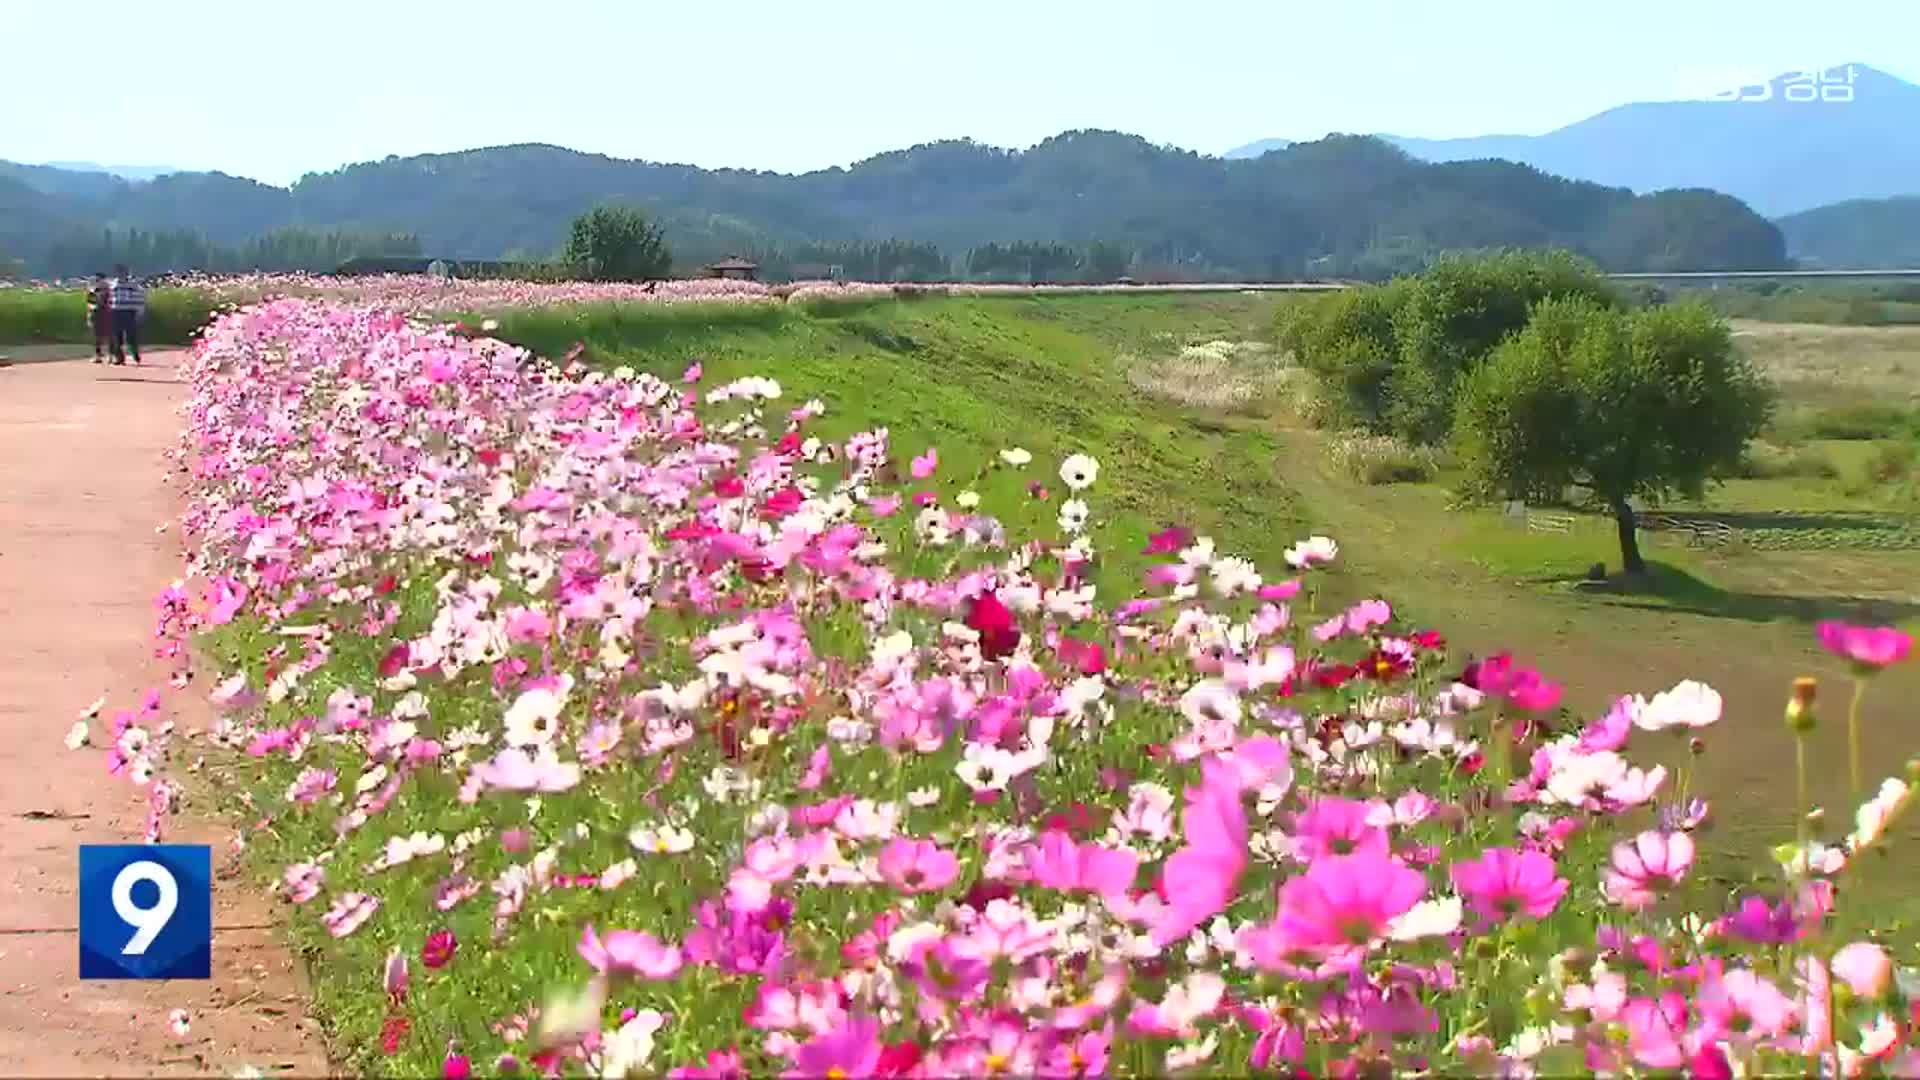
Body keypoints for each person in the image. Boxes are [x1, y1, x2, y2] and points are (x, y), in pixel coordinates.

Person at [108, 264, 145, 366]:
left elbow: (140, 299)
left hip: (129, 312)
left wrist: (139, 311)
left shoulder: (133, 285)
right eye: (119, 272)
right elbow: (109, 299)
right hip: (116, 312)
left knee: (131, 336)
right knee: (117, 336)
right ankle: (119, 358)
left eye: (123, 272)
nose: (121, 274)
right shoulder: (112, 285)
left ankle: (135, 355)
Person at [86, 272, 113, 362]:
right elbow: (90, 303)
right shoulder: (107, 289)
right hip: (103, 313)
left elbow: (90, 304)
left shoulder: (96, 290)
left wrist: (90, 315)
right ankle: (105, 355)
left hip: (102, 312)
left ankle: (104, 355)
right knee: (102, 335)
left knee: (101, 335)